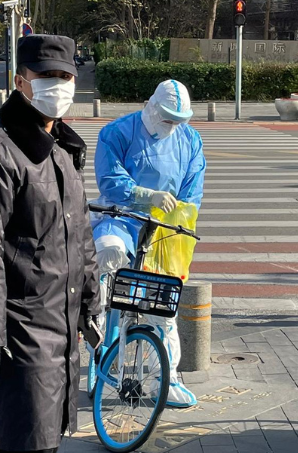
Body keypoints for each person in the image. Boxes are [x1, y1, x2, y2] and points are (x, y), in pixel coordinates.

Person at [0, 34, 100, 453]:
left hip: (60, 320)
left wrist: (90, 299)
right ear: (20, 81)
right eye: (46, 77)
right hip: (21, 329)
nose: (58, 86)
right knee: (26, 450)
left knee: (44, 442)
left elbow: (78, 232)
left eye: (65, 77)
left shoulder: (62, 149)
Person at [92, 79, 206, 408]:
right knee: (110, 253)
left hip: (164, 229)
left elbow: (191, 191)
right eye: (168, 117)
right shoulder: (118, 132)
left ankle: (165, 379)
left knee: (162, 305)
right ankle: (97, 317)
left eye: (179, 119)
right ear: (152, 107)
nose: (173, 125)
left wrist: (179, 221)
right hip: (121, 217)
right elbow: (110, 180)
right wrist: (143, 195)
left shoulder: (190, 140)